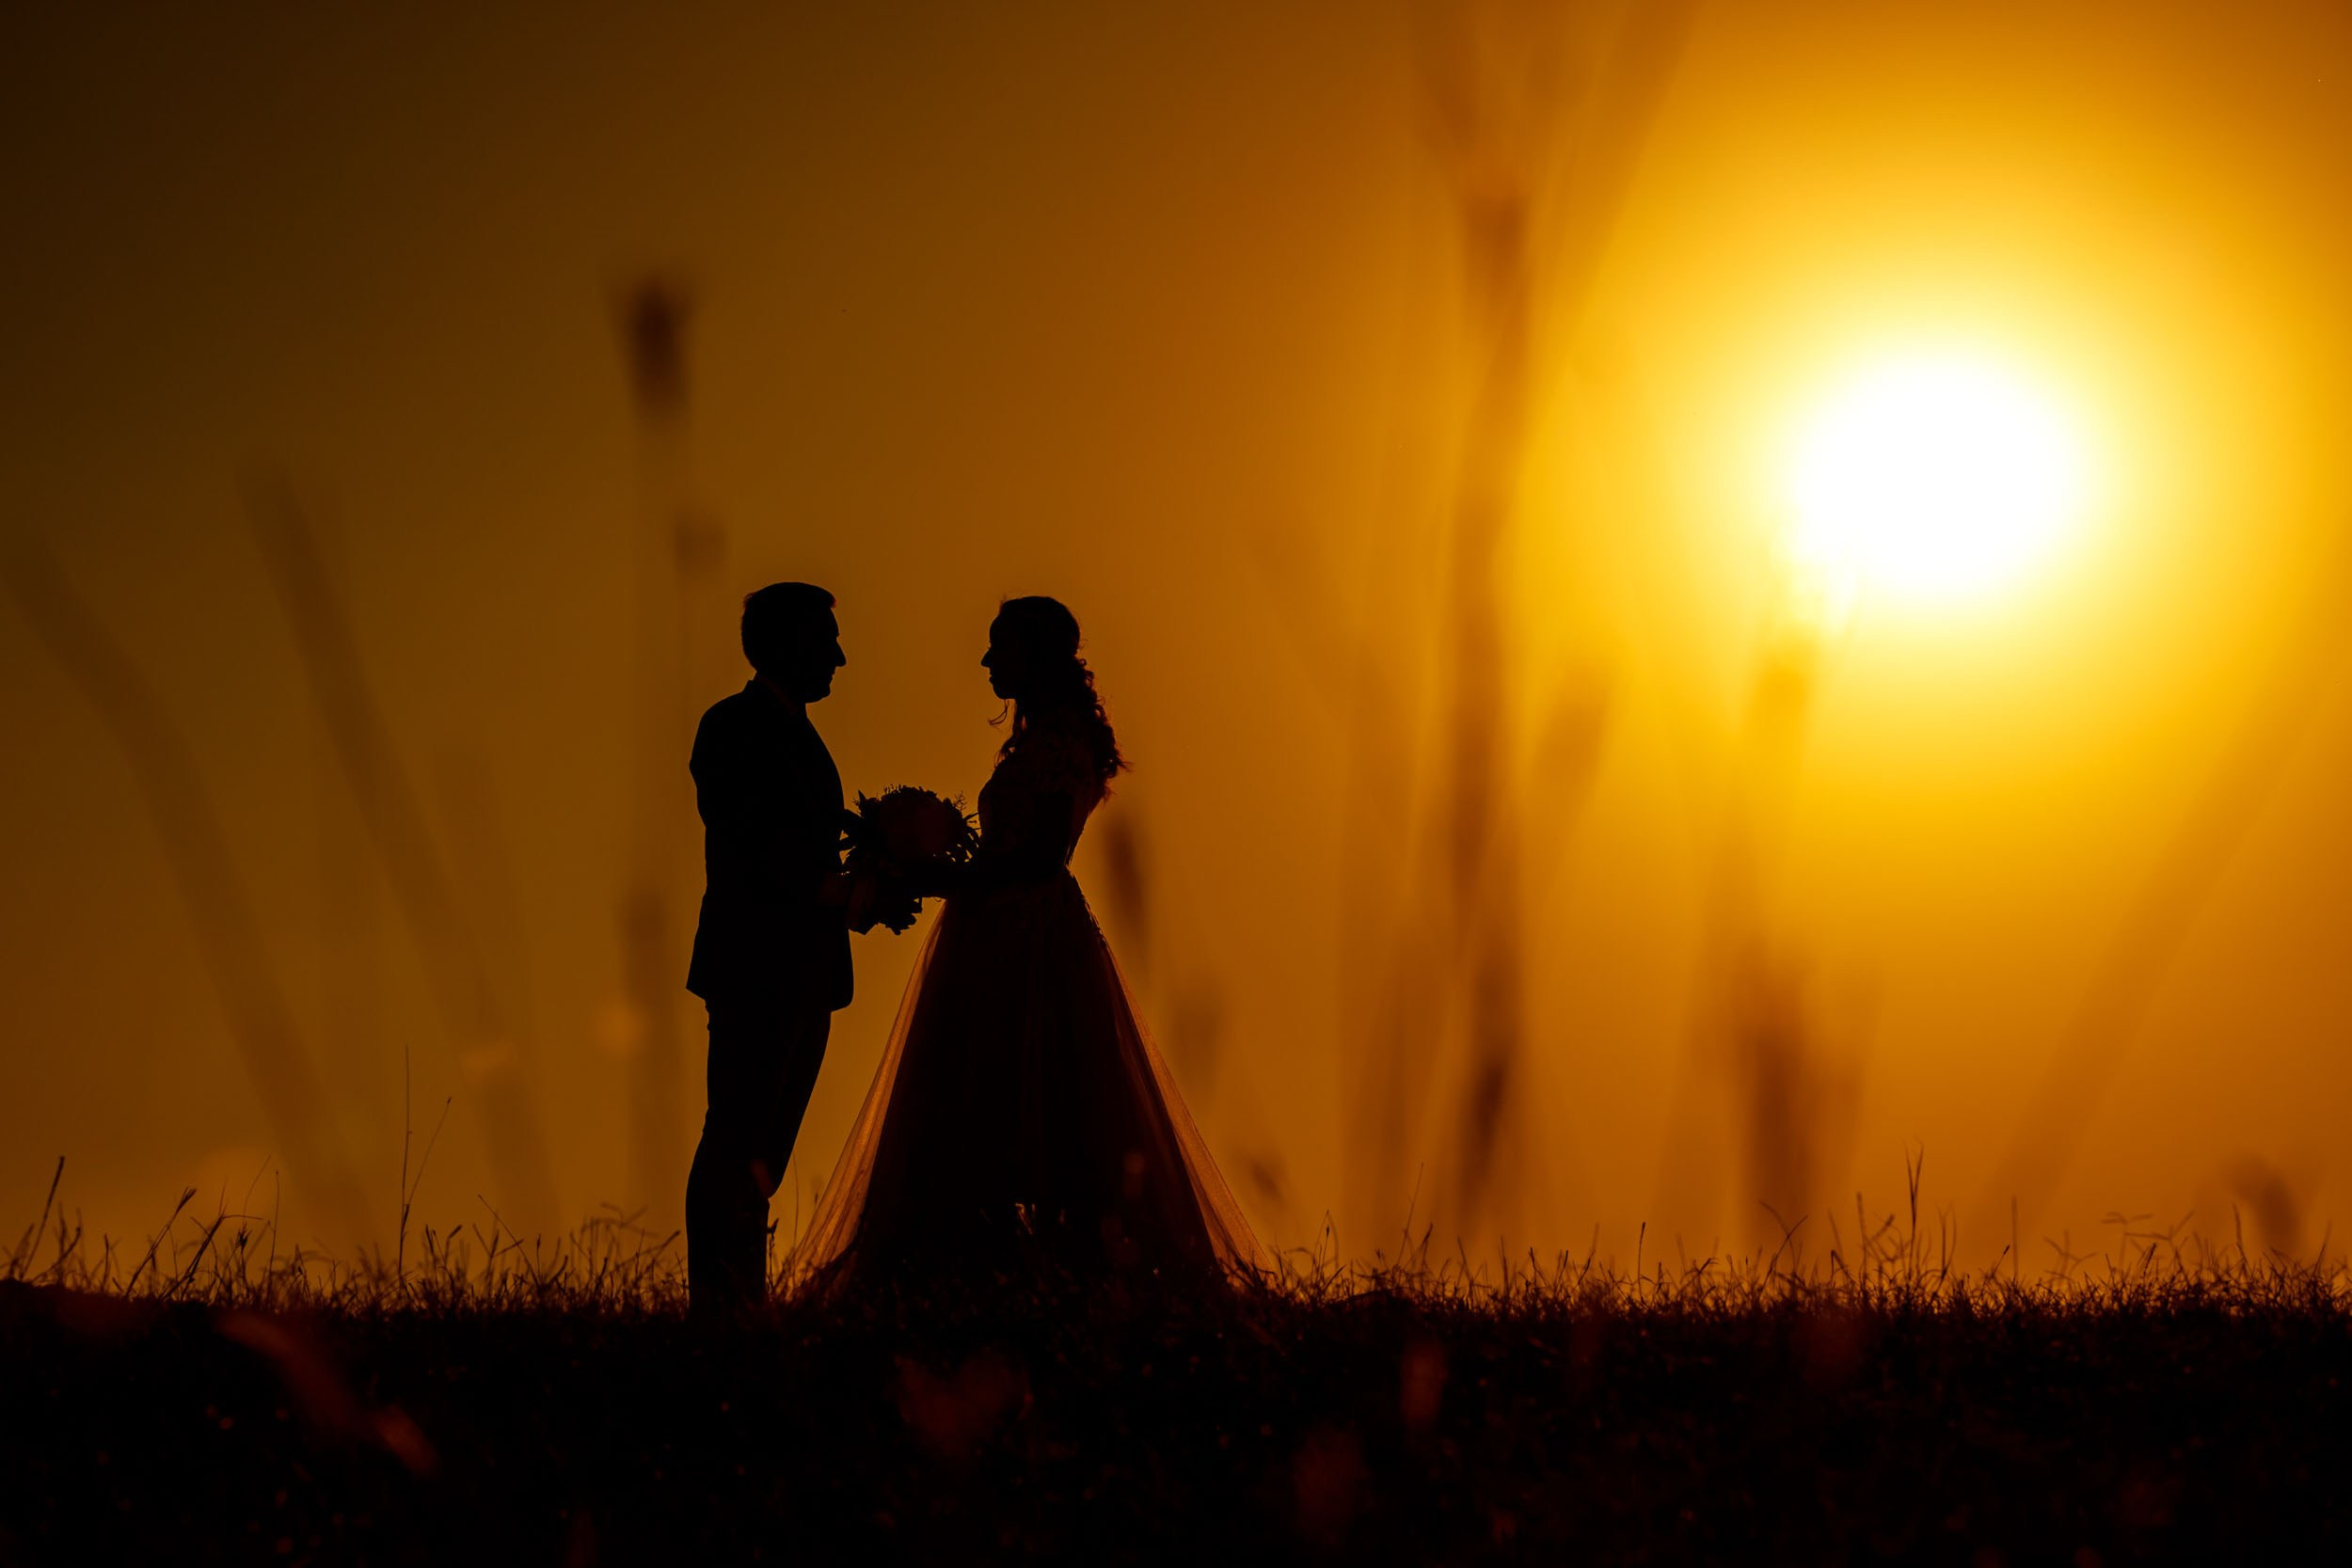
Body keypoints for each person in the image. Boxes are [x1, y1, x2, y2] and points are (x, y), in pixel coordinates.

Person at [790, 595, 1267, 1292]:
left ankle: (1051, 1276)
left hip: (1030, 940)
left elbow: (1036, 857)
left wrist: (933, 875)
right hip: (996, 929)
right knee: (976, 1106)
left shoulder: (1061, 743)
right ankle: (978, 1274)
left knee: (1036, 1106)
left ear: (1034, 653)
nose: (987, 659)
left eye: (1001, 646)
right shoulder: (1043, 737)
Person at [684, 582, 900, 1311]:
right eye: (825, 640)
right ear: (786, 643)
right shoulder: (731, 727)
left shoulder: (796, 735)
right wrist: (851, 894)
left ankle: (740, 1295)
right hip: (755, 965)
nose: (839, 657)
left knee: (764, 1150)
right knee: (736, 1134)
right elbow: (755, 848)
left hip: (805, 970)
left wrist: (868, 884)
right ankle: (719, 1303)